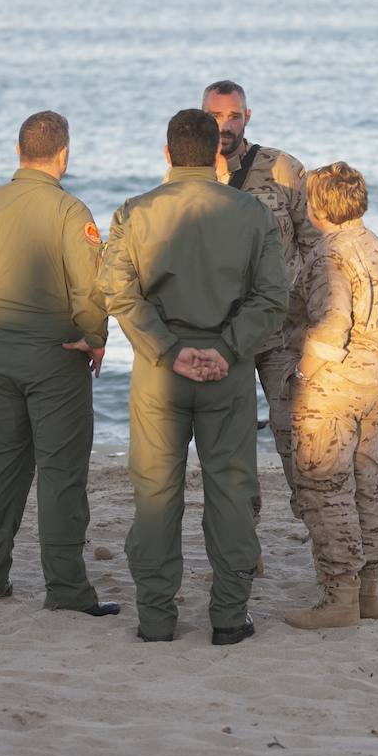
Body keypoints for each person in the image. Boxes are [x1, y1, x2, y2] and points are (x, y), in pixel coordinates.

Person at [99, 108, 288, 645]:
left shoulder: (134, 213)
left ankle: (156, 620)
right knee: (231, 490)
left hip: (160, 373)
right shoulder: (251, 213)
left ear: (167, 154)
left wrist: (169, 349)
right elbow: (273, 297)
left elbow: (117, 293)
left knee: (156, 494)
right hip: (227, 372)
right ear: (216, 156)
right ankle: (228, 618)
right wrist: (225, 349)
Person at [0, 110, 119, 617]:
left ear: (19, 151)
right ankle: (67, 590)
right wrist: (95, 338)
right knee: (60, 474)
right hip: (56, 358)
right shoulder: (68, 210)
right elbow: (89, 289)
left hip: (0, 356)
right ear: (64, 154)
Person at [282, 163, 378, 630]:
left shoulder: (329, 254)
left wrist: (303, 373)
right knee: (367, 485)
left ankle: (339, 598)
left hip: (334, 387)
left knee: (325, 488)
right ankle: (369, 594)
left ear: (317, 207)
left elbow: (332, 325)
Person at [202, 80, 318, 525]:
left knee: (297, 435)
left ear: (247, 117)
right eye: (215, 116)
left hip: (280, 333)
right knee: (232, 444)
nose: (225, 126)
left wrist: (314, 317)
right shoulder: (189, 174)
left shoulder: (282, 168)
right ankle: (242, 541)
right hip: (224, 336)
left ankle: (318, 527)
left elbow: (315, 246)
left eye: (233, 116)